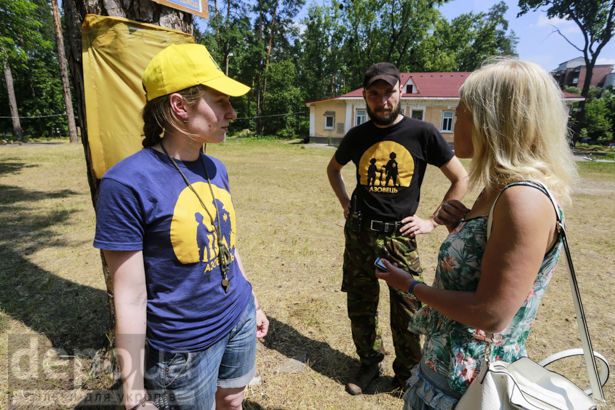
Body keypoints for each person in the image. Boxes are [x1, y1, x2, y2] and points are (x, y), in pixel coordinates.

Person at [375, 58, 578, 409]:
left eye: (462, 110)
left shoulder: (523, 199)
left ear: (492, 120)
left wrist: (409, 285)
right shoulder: (497, 189)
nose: (454, 120)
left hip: (468, 386)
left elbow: (491, 314)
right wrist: (462, 228)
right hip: (446, 371)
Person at [94, 43, 269, 410]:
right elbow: (129, 296)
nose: (232, 113)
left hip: (238, 318)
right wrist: (134, 393)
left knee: (234, 400)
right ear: (178, 106)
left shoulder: (215, 168)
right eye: (220, 102)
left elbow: (227, 243)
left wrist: (251, 299)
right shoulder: (125, 184)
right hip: (183, 349)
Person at [326, 62, 468, 395]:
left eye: (389, 92)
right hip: (360, 233)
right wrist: (346, 203)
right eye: (374, 94)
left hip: (400, 238)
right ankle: (368, 364)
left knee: (407, 309)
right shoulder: (357, 136)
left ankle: (407, 375)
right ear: (365, 96)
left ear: (400, 91)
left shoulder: (423, 132)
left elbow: (460, 177)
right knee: (361, 305)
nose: (382, 101)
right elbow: (333, 170)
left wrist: (432, 221)